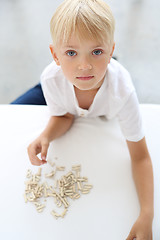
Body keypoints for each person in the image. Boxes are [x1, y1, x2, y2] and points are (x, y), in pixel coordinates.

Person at [27, 0, 153, 239]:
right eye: (71, 52)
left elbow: (141, 156)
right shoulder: (51, 78)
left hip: (104, 77)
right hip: (60, 81)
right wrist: (46, 135)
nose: (84, 65)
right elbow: (64, 115)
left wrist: (146, 214)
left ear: (111, 50)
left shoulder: (122, 92)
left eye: (97, 51)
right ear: (55, 54)